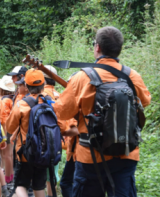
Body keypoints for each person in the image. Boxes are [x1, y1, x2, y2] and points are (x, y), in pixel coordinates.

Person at [54, 26, 151, 196]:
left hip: (90, 156)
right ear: (119, 48)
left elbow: (61, 113)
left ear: (97, 47)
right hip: (126, 153)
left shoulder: (82, 77)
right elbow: (145, 102)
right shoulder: (132, 76)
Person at [6, 69, 78, 197]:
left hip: (25, 152)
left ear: (27, 87)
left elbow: (10, 128)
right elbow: (61, 128)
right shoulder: (52, 103)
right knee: (39, 186)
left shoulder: (21, 105)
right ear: (44, 85)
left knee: (20, 186)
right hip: (45, 152)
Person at [0, 75, 16, 190]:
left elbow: (4, 119)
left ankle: (8, 179)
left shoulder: (5, 100)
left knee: (6, 155)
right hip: (12, 129)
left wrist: (3, 136)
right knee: (9, 154)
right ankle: (10, 177)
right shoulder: (12, 98)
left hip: (6, 130)